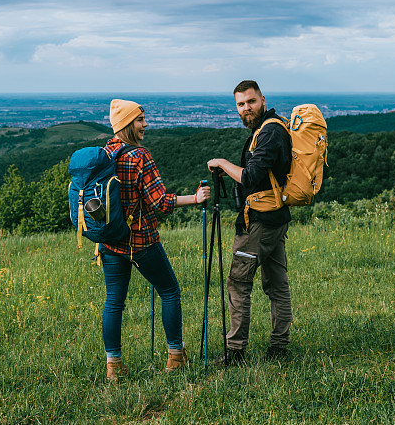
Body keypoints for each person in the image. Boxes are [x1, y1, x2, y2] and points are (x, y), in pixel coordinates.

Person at [101, 99, 211, 381]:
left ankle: (114, 366)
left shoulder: (103, 155)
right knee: (170, 291)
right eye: (140, 120)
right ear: (127, 124)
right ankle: (175, 356)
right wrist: (195, 198)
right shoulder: (140, 156)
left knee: (114, 302)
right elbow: (160, 202)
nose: (145, 124)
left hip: (110, 242)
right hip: (141, 241)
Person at [206, 80, 293, 364]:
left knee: (238, 283)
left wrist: (221, 163)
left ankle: (235, 351)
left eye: (251, 102)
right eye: (241, 105)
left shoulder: (268, 133)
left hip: (259, 223)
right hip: (275, 218)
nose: (246, 108)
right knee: (276, 283)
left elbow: (250, 177)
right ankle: (278, 347)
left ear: (263, 99)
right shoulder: (271, 127)